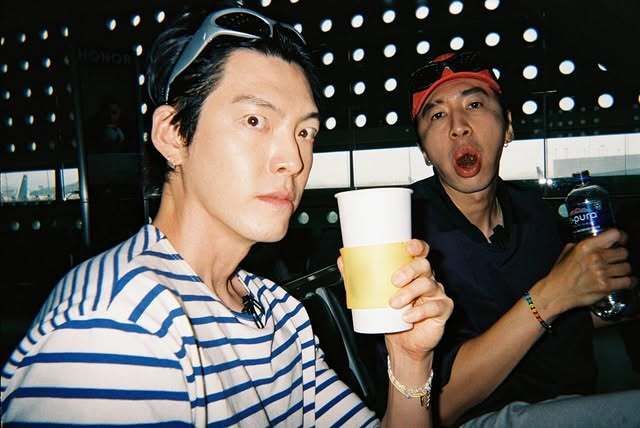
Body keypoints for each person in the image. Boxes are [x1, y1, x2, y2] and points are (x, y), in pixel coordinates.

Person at [0, 2, 453, 426]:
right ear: (173, 135)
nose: (293, 160)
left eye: (305, 132)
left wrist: (410, 360)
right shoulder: (116, 328)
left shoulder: (278, 312)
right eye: (255, 121)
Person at [407, 51, 639, 426]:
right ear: (424, 151)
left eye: (474, 104)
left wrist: (601, 291)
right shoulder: (408, 232)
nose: (458, 126)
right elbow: (435, 407)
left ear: (508, 127)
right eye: (436, 115)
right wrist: (552, 294)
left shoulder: (532, 214)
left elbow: (565, 322)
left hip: (566, 398)